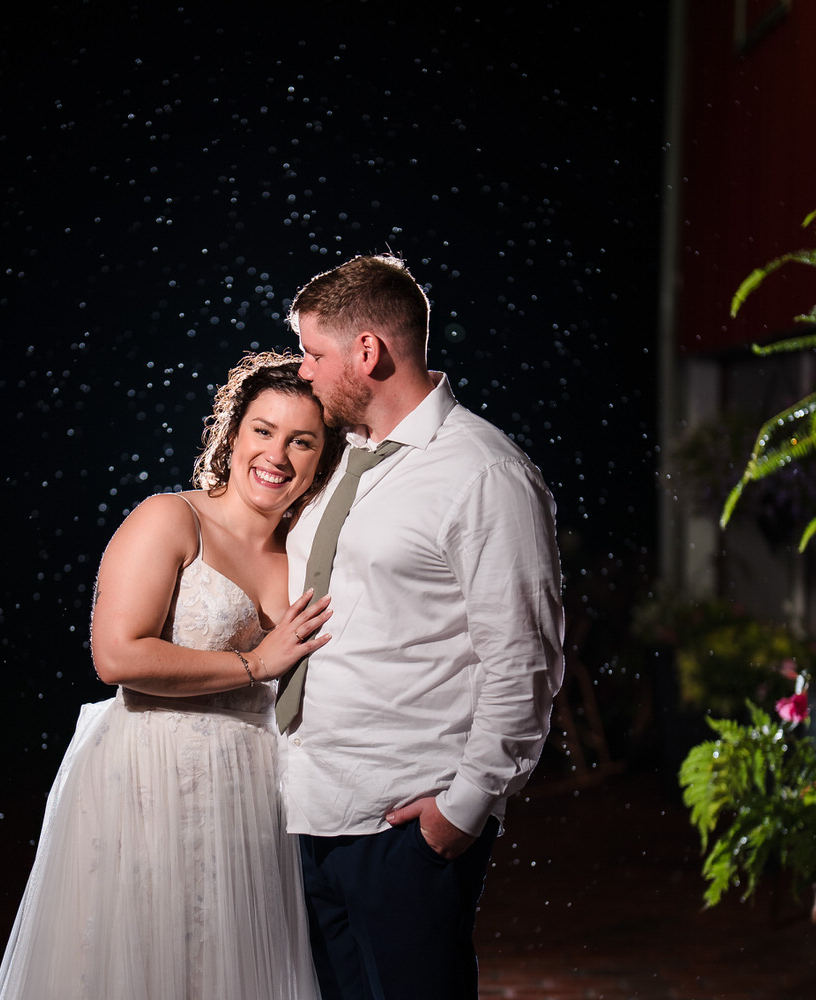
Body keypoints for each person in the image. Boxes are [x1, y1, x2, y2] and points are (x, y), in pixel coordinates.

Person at [0, 352, 342, 1000]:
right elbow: (117, 656)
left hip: (256, 790)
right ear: (233, 432)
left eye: (302, 441)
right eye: (264, 430)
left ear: (323, 456)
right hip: (153, 775)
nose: (278, 456)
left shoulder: (306, 554)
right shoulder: (171, 519)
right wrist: (256, 664)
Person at [278, 254, 565, 999]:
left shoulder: (483, 472)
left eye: (314, 353)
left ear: (367, 352)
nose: (303, 373)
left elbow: (524, 659)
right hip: (310, 811)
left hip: (402, 825)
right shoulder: (350, 461)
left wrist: (462, 810)